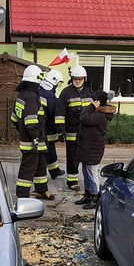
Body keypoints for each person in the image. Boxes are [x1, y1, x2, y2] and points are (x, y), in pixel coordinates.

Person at [9, 64, 53, 200]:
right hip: (33, 141)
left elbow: (14, 118)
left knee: (40, 165)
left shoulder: (22, 96)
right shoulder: (31, 97)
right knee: (28, 168)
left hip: (32, 139)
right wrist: (34, 137)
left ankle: (41, 190)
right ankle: (22, 195)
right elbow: (31, 120)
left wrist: (22, 131)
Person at [75, 91, 115, 208]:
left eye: (93, 100)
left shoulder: (100, 115)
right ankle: (88, 194)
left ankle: (95, 196)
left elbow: (84, 118)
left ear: (98, 102)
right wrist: (92, 107)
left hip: (93, 149)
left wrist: (92, 106)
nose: (90, 102)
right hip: (87, 148)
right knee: (86, 172)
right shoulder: (96, 112)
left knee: (92, 173)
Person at [56, 64, 93, 192]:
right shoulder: (66, 92)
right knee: (72, 157)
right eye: (75, 79)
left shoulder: (89, 92)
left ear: (84, 79)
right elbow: (60, 113)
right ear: (72, 79)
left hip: (86, 132)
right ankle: (72, 181)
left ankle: (89, 181)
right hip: (71, 131)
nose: (77, 81)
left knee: (86, 156)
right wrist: (60, 131)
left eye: (80, 79)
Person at [40, 69, 65, 182]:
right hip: (47, 128)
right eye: (59, 83)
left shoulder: (39, 90)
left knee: (50, 149)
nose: (58, 86)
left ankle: (55, 171)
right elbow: (55, 112)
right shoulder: (50, 96)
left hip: (39, 127)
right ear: (54, 81)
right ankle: (50, 172)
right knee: (47, 150)